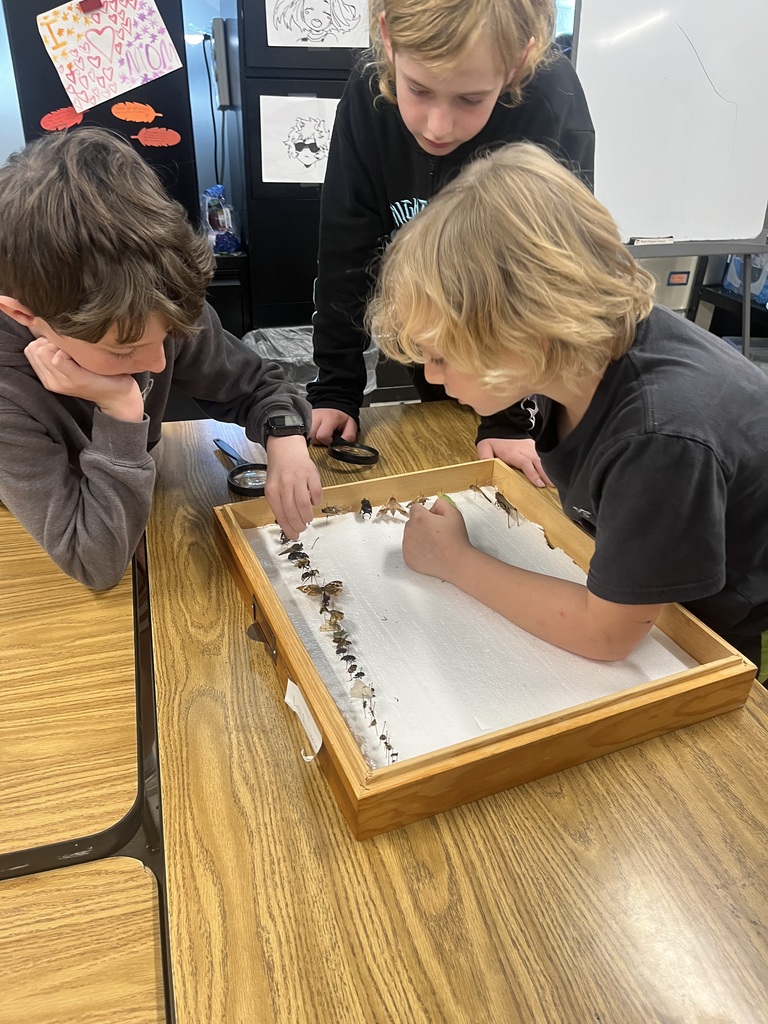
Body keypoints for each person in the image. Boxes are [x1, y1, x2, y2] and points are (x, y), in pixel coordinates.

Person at [367, 142, 768, 673]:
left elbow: (604, 636)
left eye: (439, 356)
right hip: (662, 551)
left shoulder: (657, 439)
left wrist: (454, 561)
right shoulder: (575, 352)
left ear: (528, 336)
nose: (432, 376)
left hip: (714, 609)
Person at [0, 129, 322, 591]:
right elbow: (95, 561)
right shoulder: (7, 395)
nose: (157, 362)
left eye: (168, 337)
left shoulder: (157, 305)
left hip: (135, 501)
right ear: (23, 315)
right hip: (34, 545)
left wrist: (286, 438)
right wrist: (120, 410)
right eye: (124, 351)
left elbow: (258, 386)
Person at [308, 0, 594, 488]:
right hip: (434, 350)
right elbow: (346, 247)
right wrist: (337, 387)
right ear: (389, 41)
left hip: (520, 371)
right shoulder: (366, 91)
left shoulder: (552, 99)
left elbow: (546, 281)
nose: (437, 126)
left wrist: (509, 417)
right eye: (417, 89)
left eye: (470, 99)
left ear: (518, 62)